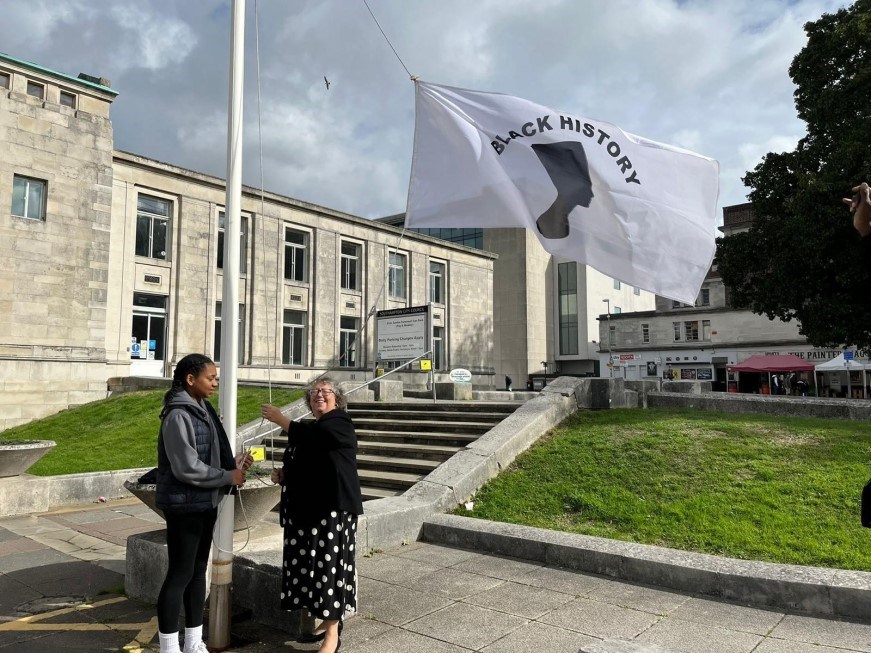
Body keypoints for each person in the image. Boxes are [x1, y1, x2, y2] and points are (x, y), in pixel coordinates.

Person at [155, 354, 252, 653]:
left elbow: (205, 455)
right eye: (210, 378)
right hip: (185, 506)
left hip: (203, 504)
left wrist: (232, 466)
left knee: (198, 573)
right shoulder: (177, 415)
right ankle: (169, 647)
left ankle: (194, 642)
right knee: (180, 575)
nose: (215, 382)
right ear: (190, 379)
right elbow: (186, 467)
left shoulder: (201, 409)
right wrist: (226, 476)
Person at [261, 376, 363, 653]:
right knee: (313, 572)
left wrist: (282, 420)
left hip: (330, 509)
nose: (319, 395)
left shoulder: (339, 421)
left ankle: (332, 635)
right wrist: (284, 475)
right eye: (314, 392)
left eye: (325, 391)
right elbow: (309, 460)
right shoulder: (310, 427)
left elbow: (321, 440)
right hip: (306, 511)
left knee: (328, 571)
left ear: (337, 398)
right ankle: (329, 621)